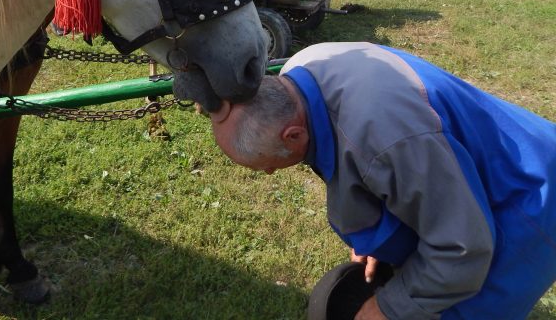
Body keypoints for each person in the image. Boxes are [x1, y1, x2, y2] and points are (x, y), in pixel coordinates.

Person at [210, 42, 556, 320]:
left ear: (293, 134)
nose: (268, 173)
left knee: (462, 307)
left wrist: (388, 309)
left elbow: (464, 248)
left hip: (529, 197)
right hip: (474, 161)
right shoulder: (300, 71)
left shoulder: (388, 140)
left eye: (262, 166)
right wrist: (373, 239)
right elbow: (353, 160)